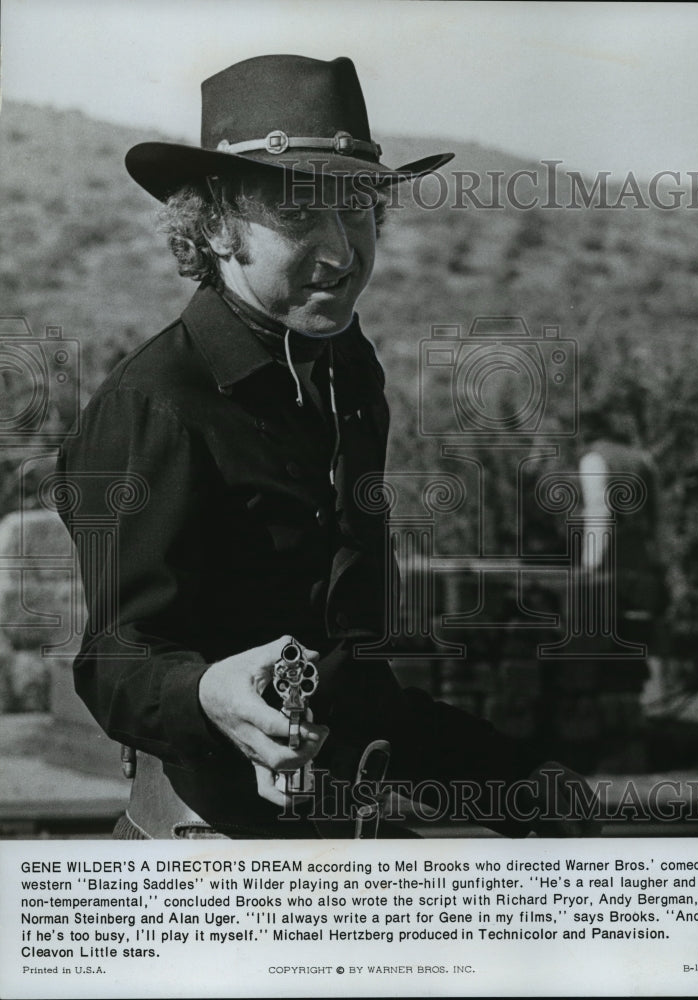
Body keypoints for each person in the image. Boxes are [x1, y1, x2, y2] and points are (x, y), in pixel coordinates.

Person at [56, 54, 597, 839]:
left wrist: (508, 780)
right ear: (215, 225)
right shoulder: (155, 408)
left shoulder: (346, 370)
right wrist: (205, 690)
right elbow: (113, 662)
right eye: (301, 217)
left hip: (344, 838)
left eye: (358, 211)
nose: (344, 253)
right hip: (208, 864)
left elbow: (353, 683)